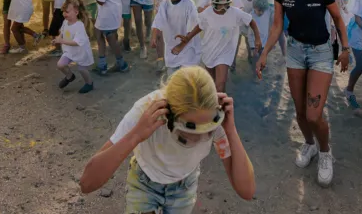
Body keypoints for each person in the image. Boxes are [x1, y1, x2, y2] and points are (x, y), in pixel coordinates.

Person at [79, 66, 255, 212]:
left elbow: (246, 191)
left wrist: (230, 130)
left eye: (207, 132)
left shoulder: (212, 118)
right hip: (144, 182)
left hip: (184, 187)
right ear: (168, 118)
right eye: (185, 136)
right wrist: (136, 135)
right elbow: (87, 183)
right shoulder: (147, 112)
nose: (199, 139)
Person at [255, 0, 349, 187]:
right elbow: (277, 26)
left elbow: (338, 19)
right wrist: (264, 52)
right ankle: (310, 144)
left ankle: (325, 152)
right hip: (295, 52)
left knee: (313, 114)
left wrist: (345, 49)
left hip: (320, 53)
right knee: (299, 111)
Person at [172, 0, 260, 93]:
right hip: (209, 50)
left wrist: (257, 39)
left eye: (226, 5)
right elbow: (200, 26)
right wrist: (187, 39)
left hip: (225, 52)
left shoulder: (235, 12)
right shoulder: (207, 13)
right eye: (219, 5)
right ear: (213, 2)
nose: (223, 8)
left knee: (220, 83)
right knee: (211, 84)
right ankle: (215, 103)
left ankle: (220, 107)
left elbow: (251, 21)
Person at [151, 0, 201, 75]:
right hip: (171, 48)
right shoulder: (165, 4)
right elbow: (158, 21)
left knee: (187, 80)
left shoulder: (189, 4)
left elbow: (193, 28)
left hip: (188, 50)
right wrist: (154, 37)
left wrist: (180, 46)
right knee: (172, 80)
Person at [91, 0, 130, 75]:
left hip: (107, 13)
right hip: (115, 11)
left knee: (110, 38)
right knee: (99, 33)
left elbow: (101, 1)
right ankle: (104, 64)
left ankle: (120, 64)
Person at [54, 0, 95, 94]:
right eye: (63, 11)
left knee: (82, 69)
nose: (64, 14)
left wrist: (62, 41)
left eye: (67, 12)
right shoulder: (65, 22)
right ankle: (70, 76)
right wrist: (58, 38)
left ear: (76, 12)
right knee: (60, 65)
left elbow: (76, 43)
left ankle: (89, 83)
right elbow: (62, 32)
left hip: (81, 52)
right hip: (70, 51)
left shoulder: (79, 26)